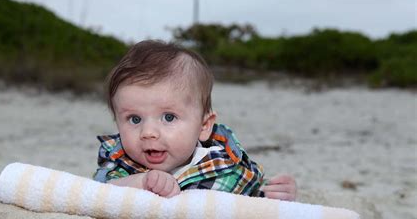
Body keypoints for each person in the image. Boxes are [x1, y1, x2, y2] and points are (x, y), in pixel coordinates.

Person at [93, 40, 296, 200]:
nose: (148, 132)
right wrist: (140, 182)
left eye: (169, 117)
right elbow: (99, 191)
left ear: (204, 126)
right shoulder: (120, 162)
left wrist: (277, 192)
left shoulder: (223, 164)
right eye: (134, 119)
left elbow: (252, 194)